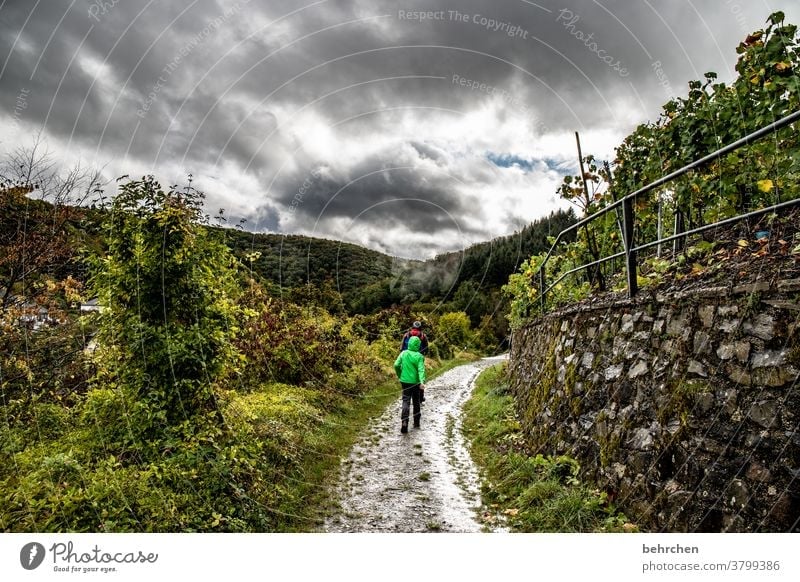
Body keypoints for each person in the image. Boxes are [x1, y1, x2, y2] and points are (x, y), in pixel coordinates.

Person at [393, 335, 426, 434]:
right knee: (416, 401)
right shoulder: (420, 356)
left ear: (409, 343)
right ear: (418, 345)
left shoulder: (403, 353)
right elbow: (421, 370)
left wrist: (400, 375)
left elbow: (396, 365)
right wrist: (422, 381)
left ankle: (404, 422)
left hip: (404, 381)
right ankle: (416, 422)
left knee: (405, 401)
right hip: (415, 383)